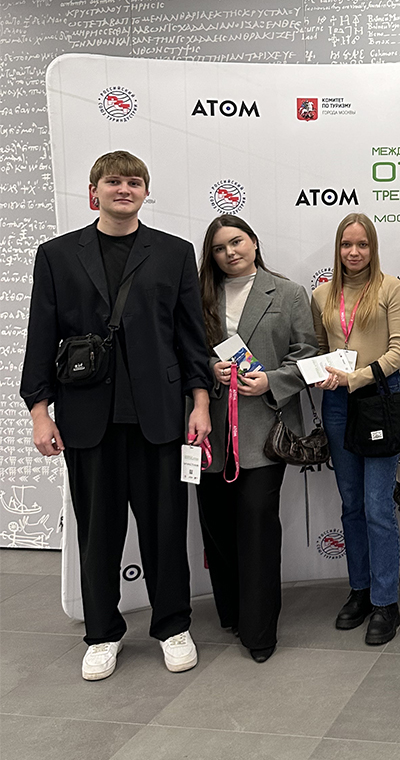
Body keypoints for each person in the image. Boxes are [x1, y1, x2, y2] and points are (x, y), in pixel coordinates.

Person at [21, 151, 212, 680]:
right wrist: (39, 413)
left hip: (161, 418)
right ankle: (102, 633)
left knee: (166, 530)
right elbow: (41, 337)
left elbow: (190, 336)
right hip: (86, 419)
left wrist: (200, 403)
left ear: (145, 192)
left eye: (133, 182)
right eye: (113, 182)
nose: (123, 189)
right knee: (97, 534)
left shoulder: (174, 253)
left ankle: (173, 626)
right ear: (94, 193)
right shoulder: (57, 255)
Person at [195, 215, 318, 663]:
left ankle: (260, 630)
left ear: (254, 242)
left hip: (264, 430)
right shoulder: (198, 296)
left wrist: (272, 381)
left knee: (257, 527)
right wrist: (209, 369)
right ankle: (231, 613)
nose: (230, 252)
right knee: (217, 529)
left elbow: (308, 355)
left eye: (236, 242)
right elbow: (183, 351)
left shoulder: (288, 293)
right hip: (209, 429)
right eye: (219, 248)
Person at [312, 213, 400, 645]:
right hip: (337, 403)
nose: (354, 252)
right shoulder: (322, 294)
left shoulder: (390, 288)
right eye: (346, 245)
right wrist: (322, 374)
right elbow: (320, 349)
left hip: (379, 398)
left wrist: (356, 377)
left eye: (362, 245)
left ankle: (387, 602)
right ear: (337, 248)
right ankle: (360, 591)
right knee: (351, 504)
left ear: (373, 248)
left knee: (376, 507)